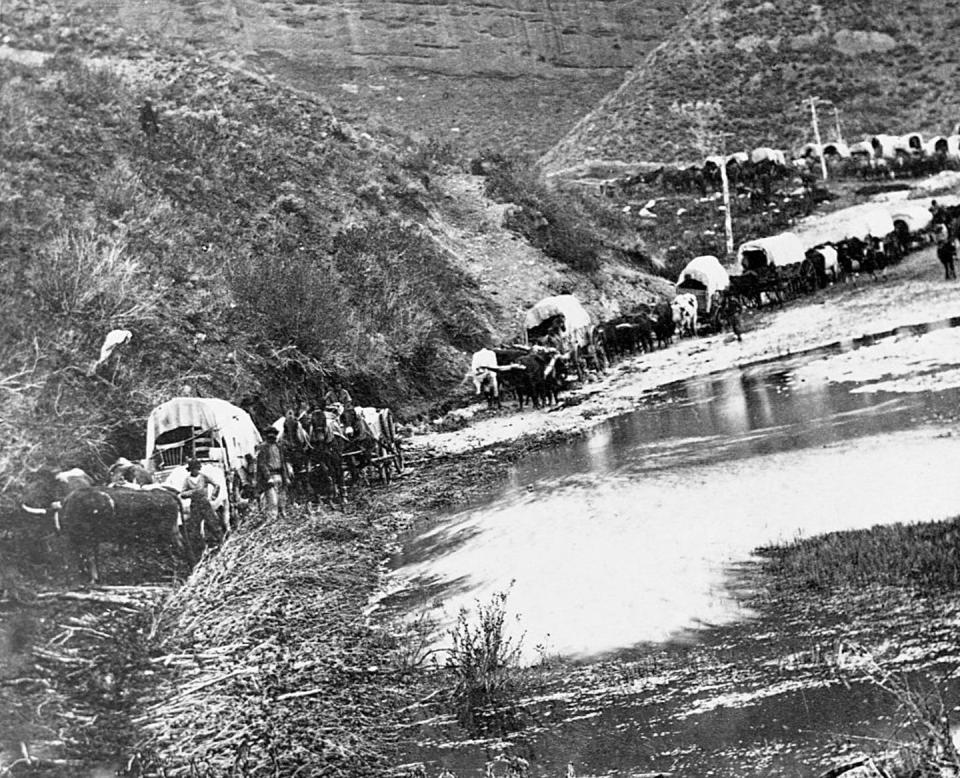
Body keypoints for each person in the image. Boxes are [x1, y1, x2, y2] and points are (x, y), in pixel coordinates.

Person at [179, 459, 224, 547]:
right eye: (193, 469)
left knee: (212, 522)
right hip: (195, 505)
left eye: (196, 469)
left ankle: (220, 541)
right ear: (190, 470)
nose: (195, 471)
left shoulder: (203, 477)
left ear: (199, 469)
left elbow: (216, 485)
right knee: (194, 526)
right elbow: (182, 493)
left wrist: (213, 496)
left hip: (205, 503)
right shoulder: (187, 480)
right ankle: (199, 546)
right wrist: (192, 493)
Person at [256, 427, 287, 520]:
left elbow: (283, 462)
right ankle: (272, 520)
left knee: (282, 500)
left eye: (274, 434)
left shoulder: (279, 446)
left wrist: (286, 477)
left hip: (280, 475)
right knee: (272, 501)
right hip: (270, 476)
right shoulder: (263, 447)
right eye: (270, 435)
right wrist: (268, 477)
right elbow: (262, 464)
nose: (272, 437)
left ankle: (282, 518)